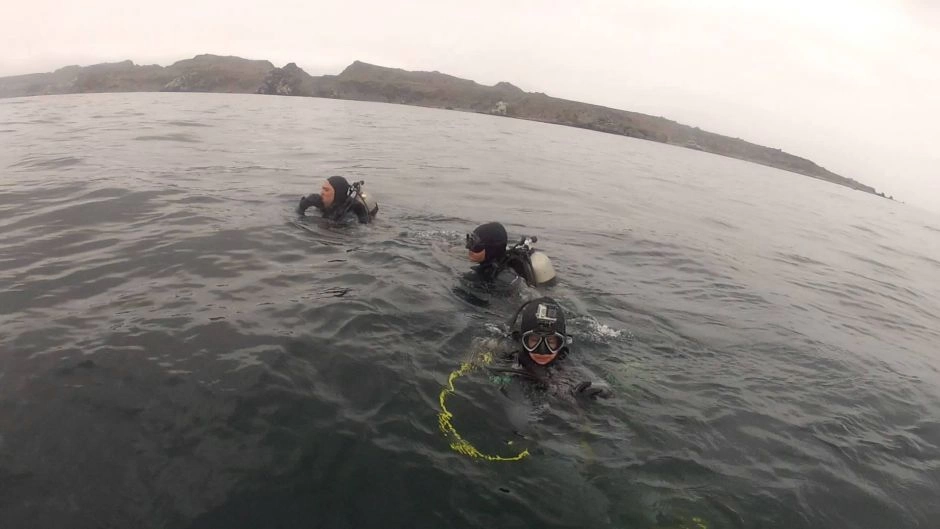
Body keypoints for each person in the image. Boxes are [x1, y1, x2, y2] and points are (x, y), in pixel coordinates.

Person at [494, 297, 612, 400]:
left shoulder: (565, 358)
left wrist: (600, 389)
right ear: (522, 340)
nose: (542, 351)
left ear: (562, 343)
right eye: (534, 340)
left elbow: (604, 386)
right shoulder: (507, 352)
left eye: (551, 342)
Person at [463, 222, 556, 291]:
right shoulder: (502, 260)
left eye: (475, 244)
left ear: (491, 249)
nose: (468, 247)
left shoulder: (503, 280)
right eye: (470, 241)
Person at [296, 175, 378, 224]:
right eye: (322, 189)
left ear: (337, 194)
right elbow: (298, 215)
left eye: (326, 190)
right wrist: (303, 205)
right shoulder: (324, 202)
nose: (322, 193)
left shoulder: (351, 212)